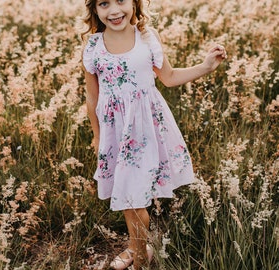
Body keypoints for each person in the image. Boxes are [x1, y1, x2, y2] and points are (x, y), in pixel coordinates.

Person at [80, 0, 227, 269]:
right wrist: (97, 135)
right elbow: (92, 97)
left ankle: (139, 258)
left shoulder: (146, 37)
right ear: (95, 10)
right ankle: (139, 248)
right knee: (129, 199)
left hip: (145, 131)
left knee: (134, 198)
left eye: (121, 1)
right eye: (104, 3)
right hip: (115, 133)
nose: (114, 11)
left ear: (134, 3)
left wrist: (206, 66)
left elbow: (169, 77)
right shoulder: (92, 46)